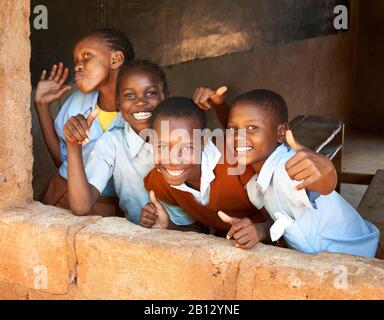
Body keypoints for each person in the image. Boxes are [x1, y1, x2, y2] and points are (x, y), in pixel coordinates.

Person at [142, 96, 337, 247]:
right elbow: (197, 232)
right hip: (229, 250)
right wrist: (170, 227)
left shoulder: (238, 166)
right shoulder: (158, 182)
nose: (173, 159)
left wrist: (259, 231)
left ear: (203, 142)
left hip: (279, 248)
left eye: (185, 148)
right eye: (163, 147)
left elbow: (288, 215)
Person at [224, 89, 380, 257]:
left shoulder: (288, 167)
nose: (238, 136)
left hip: (366, 258)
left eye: (252, 127)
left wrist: (328, 173)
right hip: (326, 264)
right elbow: (286, 217)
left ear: (281, 133)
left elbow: (322, 186)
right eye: (232, 128)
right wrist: (261, 230)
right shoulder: (256, 184)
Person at [64, 60, 203, 230]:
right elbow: (81, 206)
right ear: (117, 102)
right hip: (136, 243)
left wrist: (169, 226)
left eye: (150, 93)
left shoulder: (183, 136)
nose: (140, 102)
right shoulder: (112, 143)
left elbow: (201, 224)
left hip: (190, 238)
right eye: (129, 95)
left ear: (165, 96)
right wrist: (72, 145)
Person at [35, 28, 134, 216]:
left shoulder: (138, 112)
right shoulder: (77, 102)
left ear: (115, 59)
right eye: (76, 61)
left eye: (86, 56)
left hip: (111, 208)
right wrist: (41, 107)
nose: (78, 66)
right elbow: (61, 159)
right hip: (60, 193)